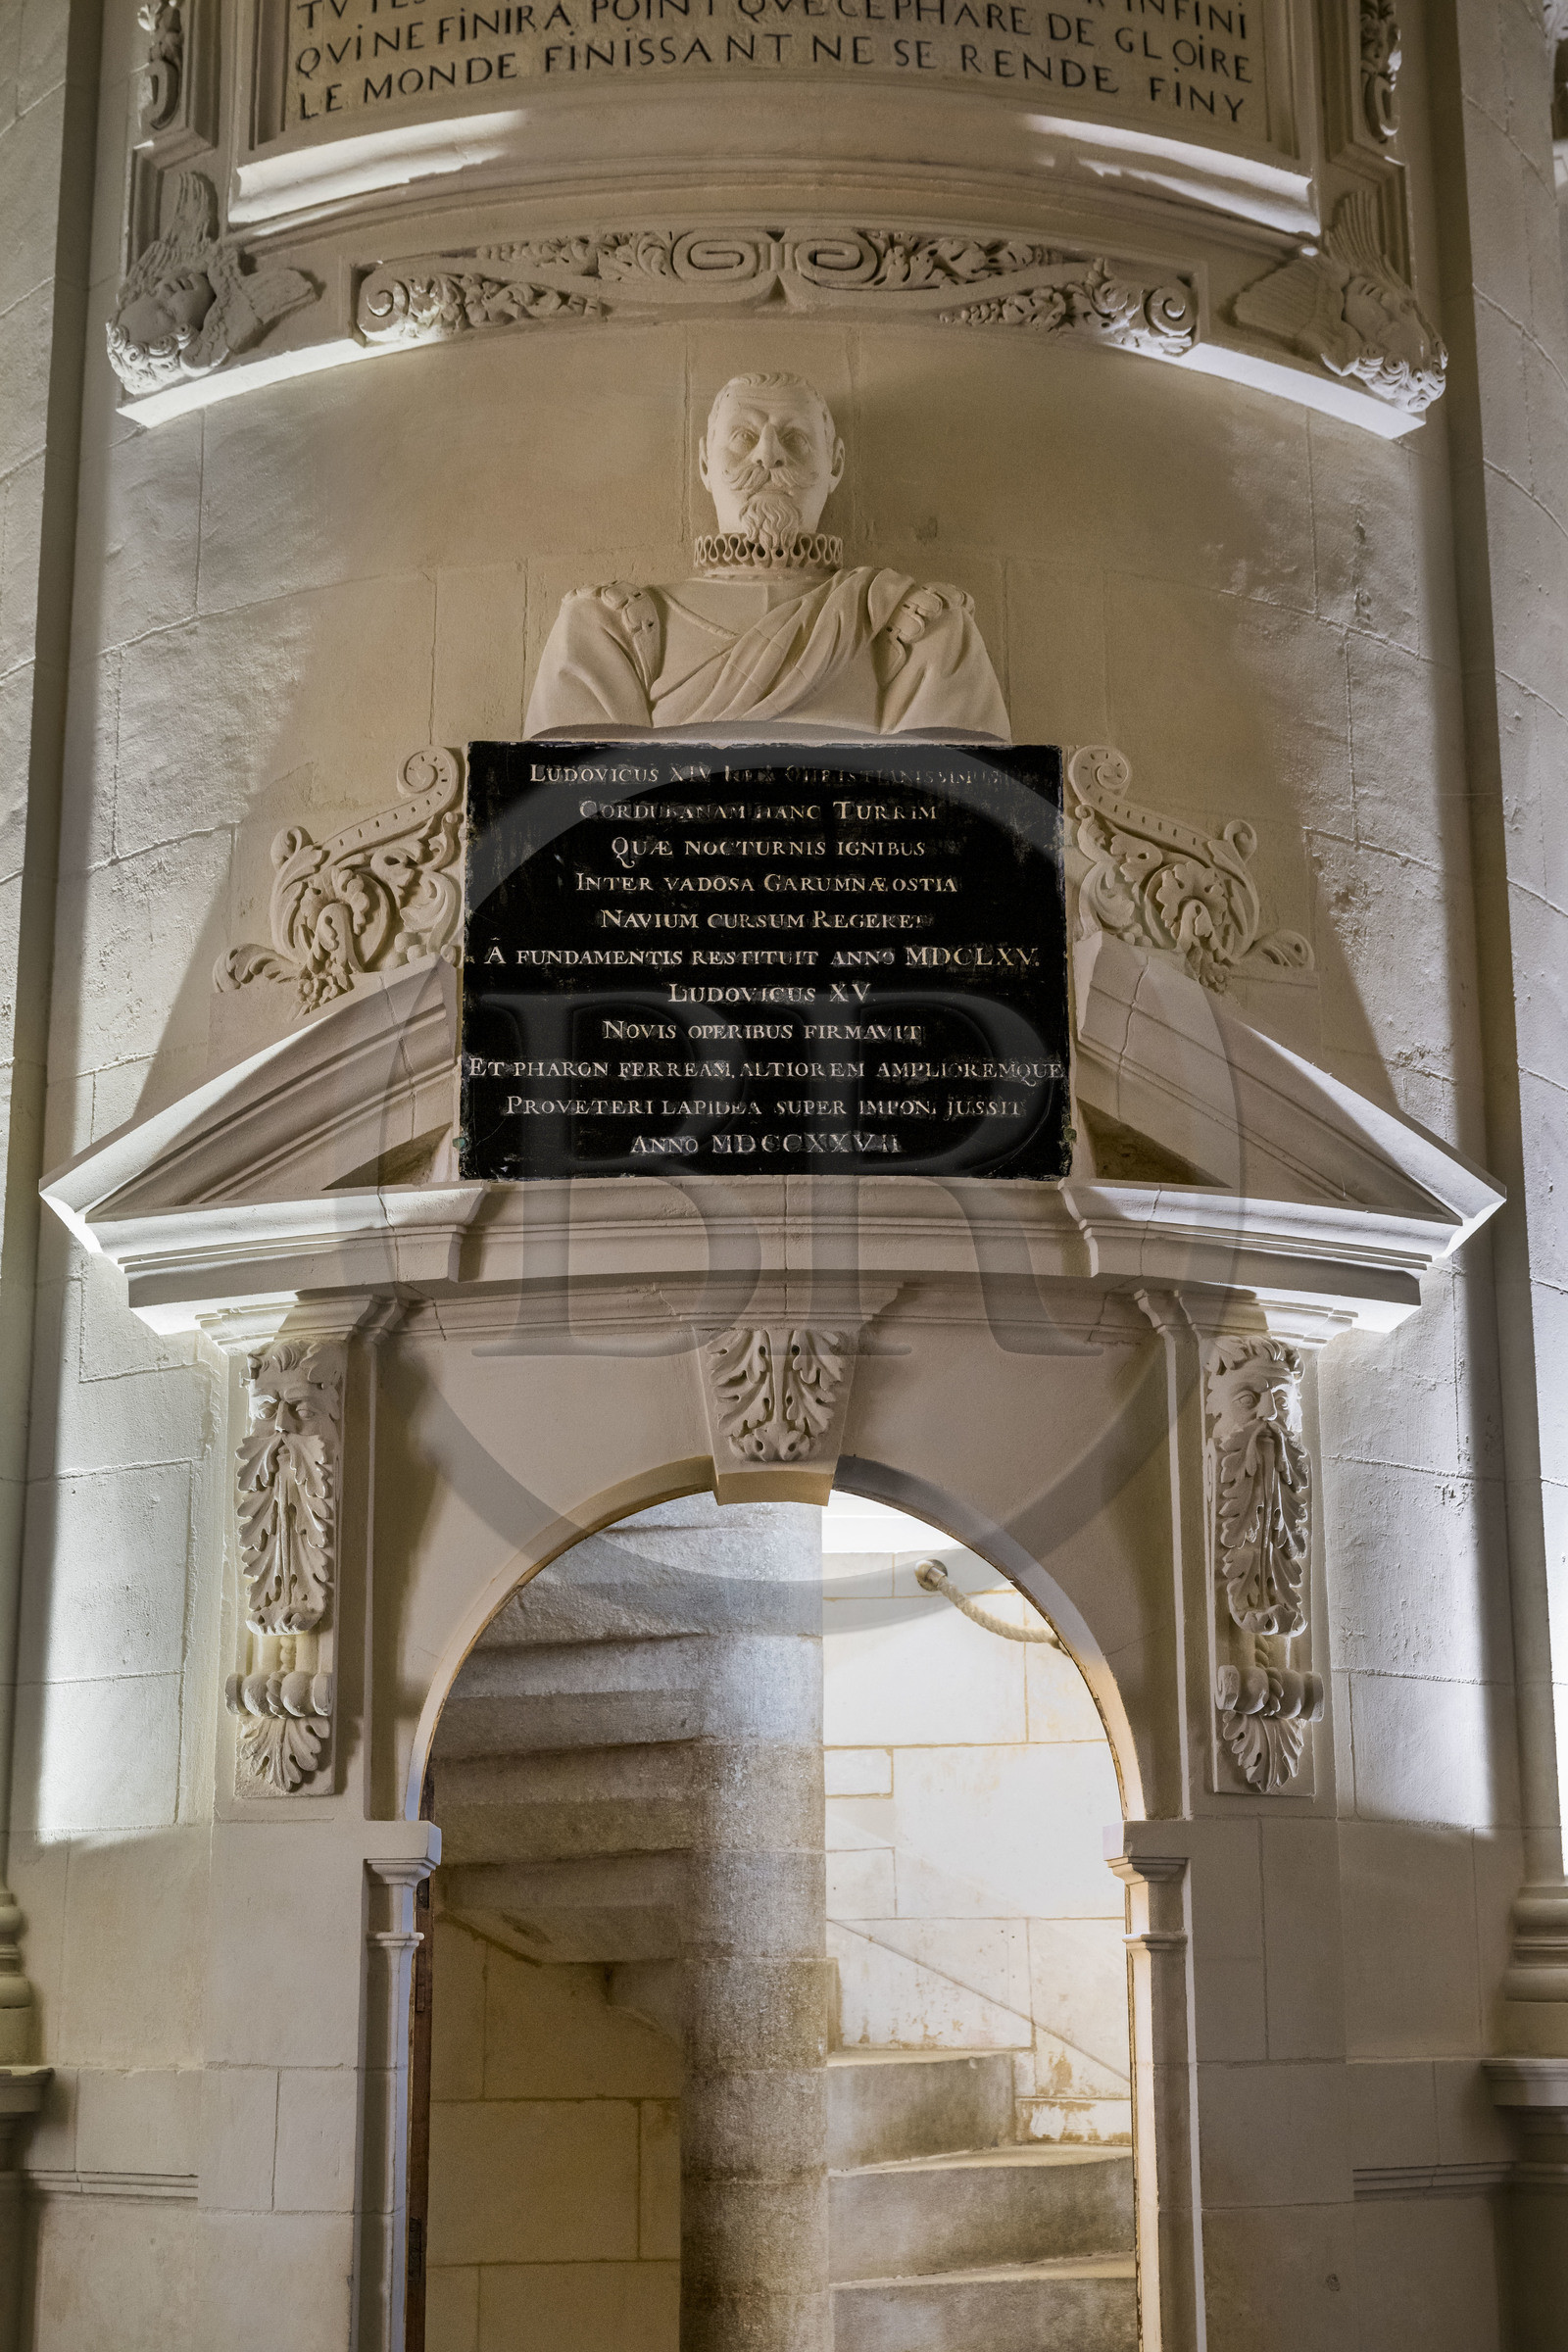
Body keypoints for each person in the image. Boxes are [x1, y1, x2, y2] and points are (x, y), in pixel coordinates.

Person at [524, 369, 1010, 740]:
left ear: (835, 464)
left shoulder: (918, 624)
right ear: (704, 464)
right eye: (743, 437)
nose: (768, 456)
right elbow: (567, 822)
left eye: (796, 439)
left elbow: (964, 821)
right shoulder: (604, 627)